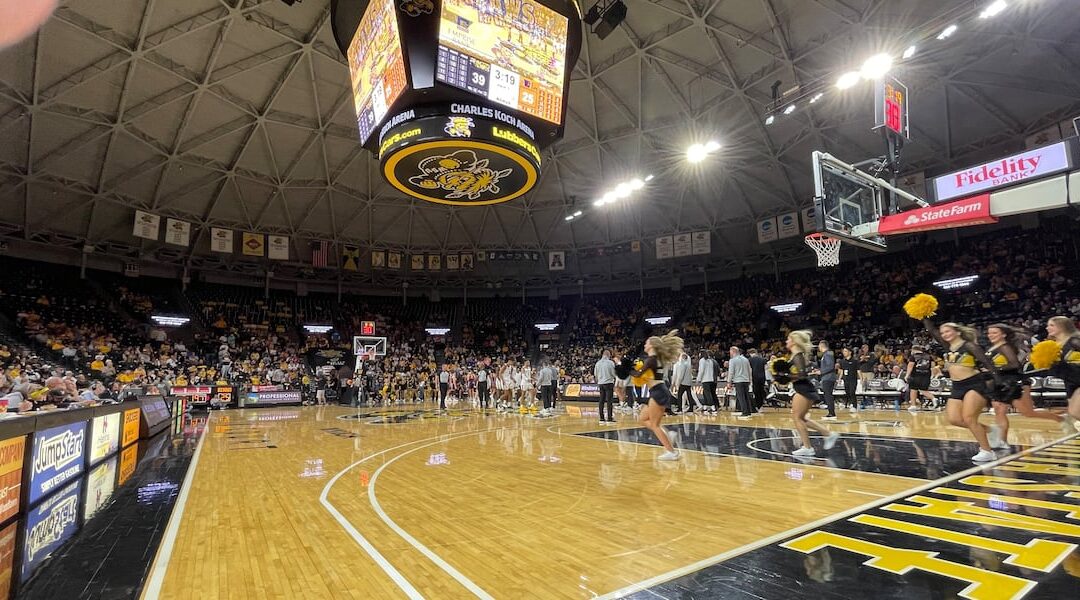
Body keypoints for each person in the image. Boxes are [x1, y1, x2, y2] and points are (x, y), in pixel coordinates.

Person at [923, 320, 998, 462]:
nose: (945, 334)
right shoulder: (948, 347)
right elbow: (933, 331)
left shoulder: (969, 346)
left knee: (969, 418)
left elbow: (988, 363)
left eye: (948, 331)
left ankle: (987, 451)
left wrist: (996, 382)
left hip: (974, 383)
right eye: (943, 332)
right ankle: (989, 430)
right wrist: (924, 316)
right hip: (957, 386)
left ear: (957, 332)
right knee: (954, 419)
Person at [781, 331, 839, 457]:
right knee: (801, 418)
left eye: (788, 339)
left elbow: (802, 374)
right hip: (804, 388)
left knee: (797, 418)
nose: (786, 341)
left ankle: (808, 447)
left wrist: (785, 377)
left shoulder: (797, 355)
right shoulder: (796, 355)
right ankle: (827, 434)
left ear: (794, 341)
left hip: (803, 389)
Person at [632, 330, 683, 461]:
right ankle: (666, 435)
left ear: (652, 345)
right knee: (643, 418)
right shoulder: (654, 359)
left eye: (646, 343)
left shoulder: (651, 360)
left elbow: (638, 375)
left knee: (654, 424)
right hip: (658, 391)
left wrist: (625, 368)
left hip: (658, 392)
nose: (644, 344)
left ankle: (671, 452)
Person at [1046, 316, 1080, 425]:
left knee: (1075, 412)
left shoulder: (1074, 340)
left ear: (1062, 326)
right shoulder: (1053, 344)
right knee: (1074, 413)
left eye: (1051, 325)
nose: (1047, 328)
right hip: (1069, 381)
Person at [905, 345, 935, 411]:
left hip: (915, 375)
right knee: (923, 390)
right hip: (926, 376)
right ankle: (934, 399)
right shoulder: (929, 357)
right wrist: (933, 375)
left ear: (913, 350)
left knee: (913, 389)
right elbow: (933, 366)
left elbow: (910, 366)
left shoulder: (913, 356)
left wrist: (907, 375)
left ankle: (913, 405)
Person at [727, 346, 753, 419]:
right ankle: (748, 411)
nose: (730, 354)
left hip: (738, 380)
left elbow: (731, 372)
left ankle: (744, 412)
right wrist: (750, 380)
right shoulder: (746, 359)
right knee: (746, 396)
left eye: (730, 352)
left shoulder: (732, 360)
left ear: (734, 352)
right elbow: (750, 370)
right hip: (746, 380)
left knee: (741, 397)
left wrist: (729, 381)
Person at [816, 341, 838, 420]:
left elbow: (830, 366)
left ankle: (832, 413)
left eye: (819, 346)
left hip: (828, 378)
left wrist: (821, 371)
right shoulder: (826, 354)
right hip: (827, 377)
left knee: (828, 395)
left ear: (822, 346)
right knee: (827, 395)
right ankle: (831, 412)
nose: (818, 348)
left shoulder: (828, 354)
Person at [594, 351, 616, 424]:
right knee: (609, 401)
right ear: (608, 355)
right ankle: (609, 418)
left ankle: (601, 418)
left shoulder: (597, 363)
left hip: (601, 383)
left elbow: (595, 374)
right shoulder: (610, 363)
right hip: (609, 382)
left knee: (601, 400)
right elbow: (613, 373)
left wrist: (599, 380)